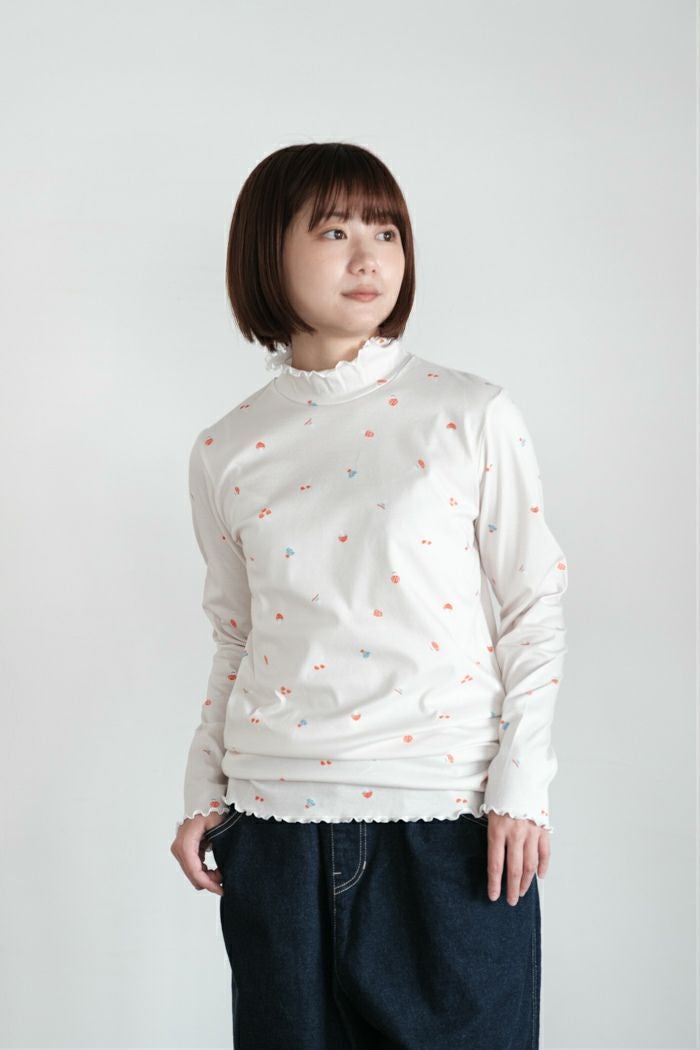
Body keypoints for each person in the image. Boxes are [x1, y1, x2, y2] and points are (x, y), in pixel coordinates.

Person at [170, 141, 568, 1050]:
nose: (369, 258)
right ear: (267, 251)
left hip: (445, 825)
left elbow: (533, 606)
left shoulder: (469, 413)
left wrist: (521, 787)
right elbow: (236, 634)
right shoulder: (226, 448)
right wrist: (203, 789)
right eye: (334, 231)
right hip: (274, 830)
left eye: (386, 232)